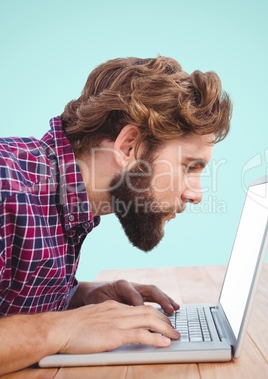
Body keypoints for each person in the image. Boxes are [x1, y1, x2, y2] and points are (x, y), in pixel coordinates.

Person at [0, 56, 232, 374]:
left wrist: (78, 297)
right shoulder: (6, 185)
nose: (196, 193)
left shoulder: (67, 200)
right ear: (128, 147)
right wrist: (61, 328)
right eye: (189, 166)